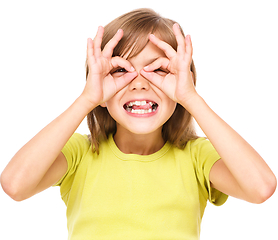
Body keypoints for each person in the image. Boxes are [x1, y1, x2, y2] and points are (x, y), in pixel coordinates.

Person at [1, 8, 276, 240]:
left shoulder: (196, 157)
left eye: (158, 69)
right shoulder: (81, 154)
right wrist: (86, 99)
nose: (140, 83)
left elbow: (261, 188)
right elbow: (15, 185)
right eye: (121, 70)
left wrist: (191, 98)